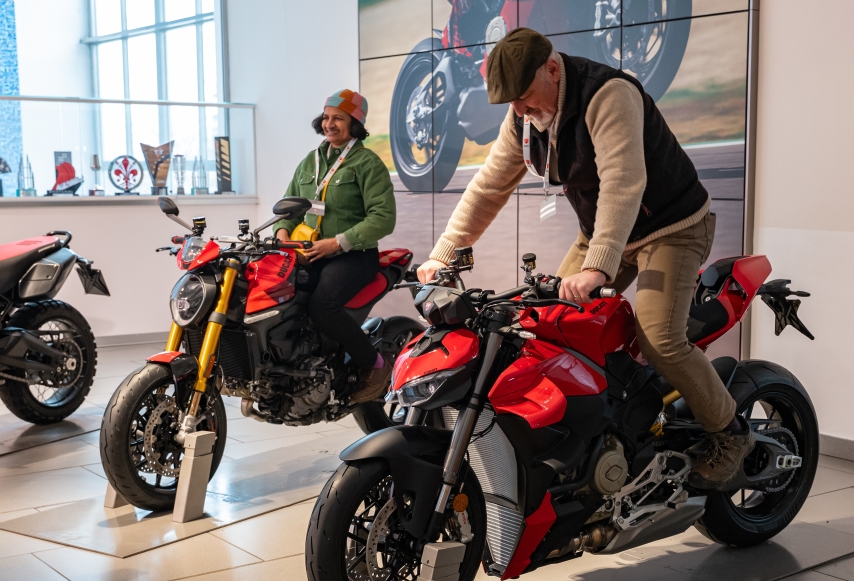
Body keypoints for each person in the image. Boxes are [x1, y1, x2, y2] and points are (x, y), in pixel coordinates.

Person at [415, 29, 752, 489]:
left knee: (658, 338)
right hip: (603, 233)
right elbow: (487, 188)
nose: (520, 112)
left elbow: (622, 182)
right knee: (546, 322)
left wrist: (599, 265)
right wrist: (444, 255)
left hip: (670, 229)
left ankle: (729, 433)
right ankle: (604, 426)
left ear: (553, 69)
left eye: (526, 99)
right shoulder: (525, 117)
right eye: (512, 104)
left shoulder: (608, 95)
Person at [274, 89, 396, 403]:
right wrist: (283, 234)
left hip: (354, 255)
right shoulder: (310, 162)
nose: (329, 124)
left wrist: (337, 243)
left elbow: (384, 218)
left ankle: (375, 365)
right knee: (282, 301)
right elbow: (287, 209)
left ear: (355, 124)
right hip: (308, 253)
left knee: (322, 305)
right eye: (326, 117)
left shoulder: (367, 163)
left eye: (338, 118)